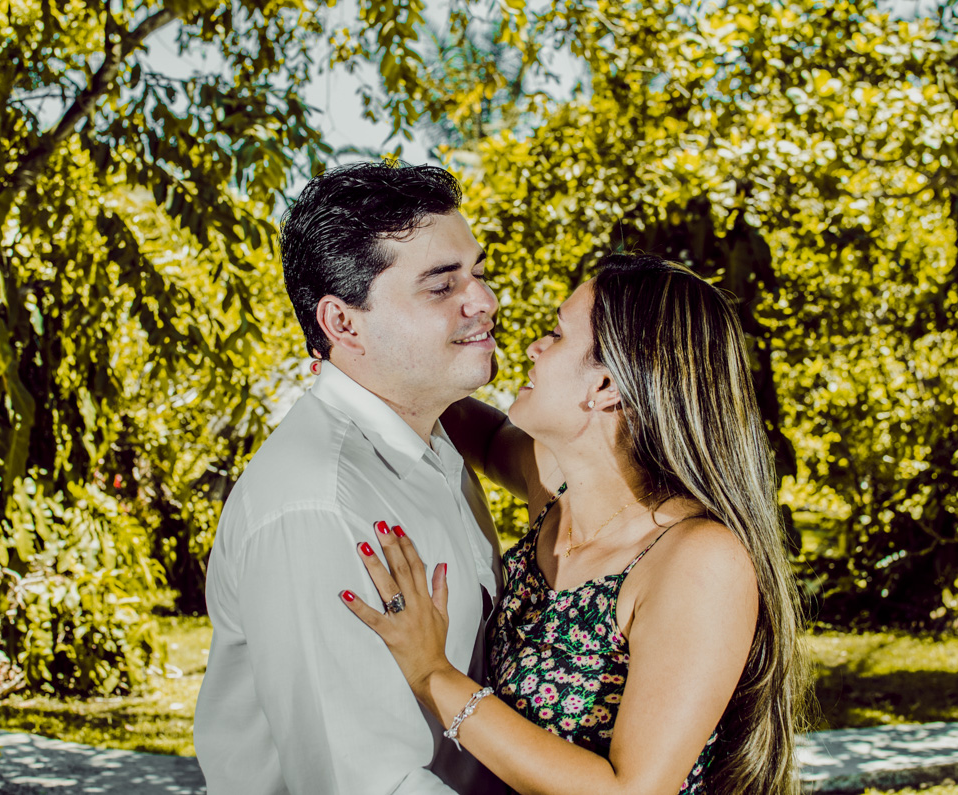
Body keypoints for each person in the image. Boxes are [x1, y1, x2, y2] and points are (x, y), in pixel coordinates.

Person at [341, 254, 808, 795]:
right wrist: (365, 351)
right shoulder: (559, 488)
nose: (534, 349)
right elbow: (481, 433)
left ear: (607, 385)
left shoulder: (699, 561)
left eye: (556, 335)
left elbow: (631, 791)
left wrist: (432, 674)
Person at [193, 161, 507, 794]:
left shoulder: (434, 443)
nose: (485, 301)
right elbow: (371, 783)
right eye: (441, 287)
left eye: (478, 272)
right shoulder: (321, 507)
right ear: (343, 324)